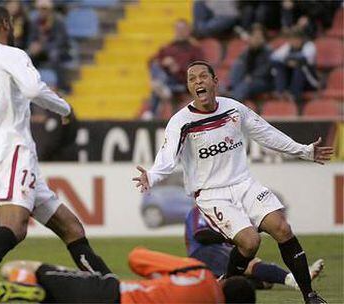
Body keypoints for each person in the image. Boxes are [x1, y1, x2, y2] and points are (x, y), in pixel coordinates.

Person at [0, 4, 110, 303]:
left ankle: (112, 290)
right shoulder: (12, 55)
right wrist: (64, 108)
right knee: (15, 227)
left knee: (71, 227)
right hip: (15, 149)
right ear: (7, 23)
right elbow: (32, 89)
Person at [132, 60, 333, 303]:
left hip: (243, 183)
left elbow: (265, 133)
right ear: (188, 87)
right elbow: (167, 155)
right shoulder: (181, 121)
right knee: (250, 243)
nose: (198, 82)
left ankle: (309, 295)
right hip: (211, 193)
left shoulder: (233, 109)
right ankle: (224, 285)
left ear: (215, 82)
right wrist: (152, 176)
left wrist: (303, 151)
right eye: (192, 79)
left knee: (282, 228)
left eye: (202, 77)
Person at [0, 248, 250, 303]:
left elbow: (136, 258)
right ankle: (37, 297)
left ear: (223, 281)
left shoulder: (200, 273)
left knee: (22, 266)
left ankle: (25, 285)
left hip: (112, 294)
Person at [185, 206, 324, 289]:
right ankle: (294, 280)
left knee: (245, 277)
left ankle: (263, 281)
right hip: (204, 252)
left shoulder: (225, 210)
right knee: (250, 264)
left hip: (215, 254)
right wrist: (231, 237)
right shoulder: (200, 210)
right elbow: (200, 236)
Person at [146, 19, 203, 118]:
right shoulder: (168, 47)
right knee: (156, 65)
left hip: (182, 83)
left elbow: (199, 71)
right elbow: (151, 62)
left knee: (157, 89)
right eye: (178, 29)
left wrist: (178, 69)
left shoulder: (194, 50)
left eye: (183, 29)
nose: (180, 32)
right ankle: (163, 87)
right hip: (166, 79)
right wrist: (164, 63)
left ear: (188, 31)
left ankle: (151, 113)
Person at [28, 0, 71, 91]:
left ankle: (63, 86)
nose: (42, 11)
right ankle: (31, 85)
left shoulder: (58, 21)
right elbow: (32, 38)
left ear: (50, 10)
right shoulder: (35, 22)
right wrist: (33, 45)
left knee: (54, 55)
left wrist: (42, 47)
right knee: (28, 56)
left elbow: (61, 41)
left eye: (44, 9)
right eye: (40, 9)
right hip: (42, 51)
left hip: (59, 50)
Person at [271, 29, 319, 108]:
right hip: (293, 81)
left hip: (310, 82)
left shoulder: (309, 45)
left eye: (297, 39)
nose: (294, 42)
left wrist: (289, 58)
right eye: (292, 39)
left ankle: (295, 98)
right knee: (279, 66)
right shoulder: (288, 46)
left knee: (299, 67)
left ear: (302, 39)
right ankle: (281, 93)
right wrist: (287, 62)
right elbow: (273, 58)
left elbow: (304, 57)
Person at [228, 24, 273, 102]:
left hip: (263, 81)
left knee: (246, 84)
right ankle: (231, 91)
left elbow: (266, 70)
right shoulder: (247, 51)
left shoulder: (268, 52)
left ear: (264, 39)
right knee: (237, 65)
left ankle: (233, 102)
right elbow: (241, 67)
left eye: (259, 37)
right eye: (254, 37)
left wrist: (251, 77)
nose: (256, 39)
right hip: (246, 79)